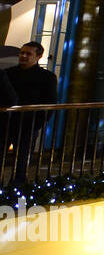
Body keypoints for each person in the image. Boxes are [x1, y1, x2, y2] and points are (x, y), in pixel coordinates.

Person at [3, 41, 53, 183]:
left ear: (38, 56)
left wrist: (36, 124)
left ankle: (17, 188)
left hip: (27, 125)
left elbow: (49, 103)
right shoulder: (9, 73)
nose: (23, 56)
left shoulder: (47, 77)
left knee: (22, 161)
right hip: (6, 123)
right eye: (22, 53)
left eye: (28, 54)